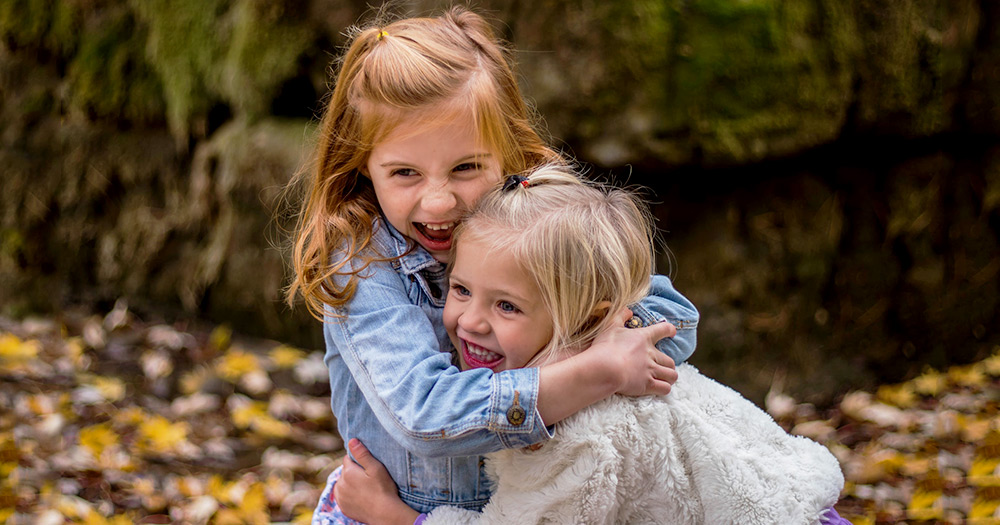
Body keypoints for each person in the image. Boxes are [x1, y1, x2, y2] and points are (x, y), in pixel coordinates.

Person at [284, 7, 700, 522]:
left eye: (465, 167)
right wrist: (593, 371)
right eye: (405, 173)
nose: (438, 203)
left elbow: (672, 322)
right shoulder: (363, 264)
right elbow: (426, 415)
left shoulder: (533, 222)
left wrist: (587, 348)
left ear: (506, 152)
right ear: (362, 166)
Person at [334, 166, 850, 525]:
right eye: (461, 289)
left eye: (507, 307)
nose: (470, 321)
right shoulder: (608, 359)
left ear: (590, 319)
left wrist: (397, 518)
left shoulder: (586, 431)